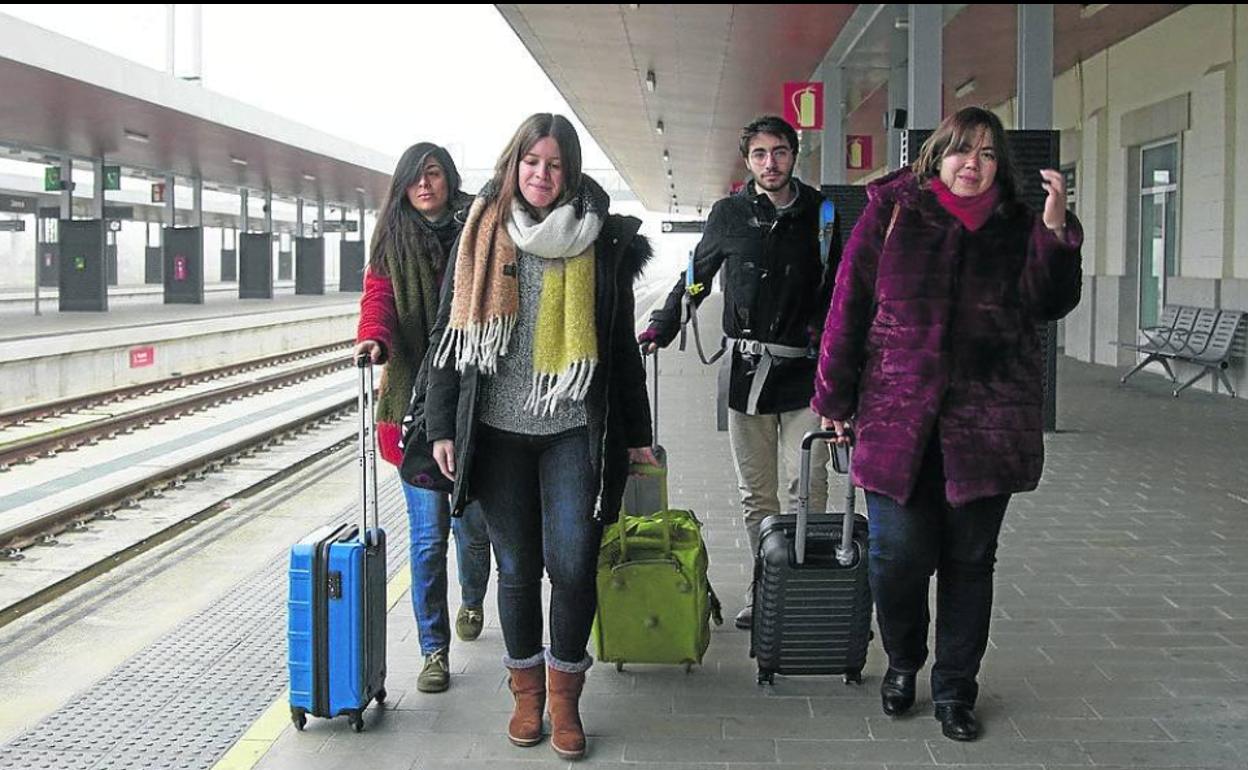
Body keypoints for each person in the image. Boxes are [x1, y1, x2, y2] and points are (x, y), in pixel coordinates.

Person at [812, 107, 1083, 742]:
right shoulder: (893, 212)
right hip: (895, 416)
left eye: (988, 154)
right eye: (962, 151)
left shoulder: (1020, 223)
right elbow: (847, 305)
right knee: (895, 556)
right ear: (937, 155)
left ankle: (956, 688)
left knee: (970, 561)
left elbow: (1051, 303)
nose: (973, 164)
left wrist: (1054, 231)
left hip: (986, 422)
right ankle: (905, 660)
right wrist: (834, 397)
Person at [425, 113, 657, 760]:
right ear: (513, 164)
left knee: (575, 562)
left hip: (570, 432)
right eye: (532, 162)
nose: (541, 175)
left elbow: (617, 348)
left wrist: (637, 435)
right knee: (520, 568)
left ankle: (565, 699)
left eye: (554, 165)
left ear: (571, 171)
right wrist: (443, 425)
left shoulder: (600, 241)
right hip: (497, 433)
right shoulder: (480, 232)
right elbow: (450, 337)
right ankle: (527, 694)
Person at [640, 115, 837, 629]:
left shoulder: (824, 214)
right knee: (758, 494)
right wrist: (662, 325)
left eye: (780, 152)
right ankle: (766, 585)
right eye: (759, 154)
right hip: (747, 375)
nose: (770, 163)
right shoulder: (729, 215)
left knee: (808, 486)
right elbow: (696, 277)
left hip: (807, 377)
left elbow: (844, 295)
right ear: (747, 160)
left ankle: (807, 588)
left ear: (796, 154)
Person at [354, 142, 492, 694]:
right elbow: (378, 300)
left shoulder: (479, 224)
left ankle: (475, 598)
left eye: (433, 174)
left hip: (473, 401)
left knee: (471, 528)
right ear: (404, 186)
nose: (425, 185)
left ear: (448, 177)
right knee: (429, 538)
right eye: (415, 178)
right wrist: (374, 341)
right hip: (413, 405)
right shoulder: (391, 239)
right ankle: (434, 650)